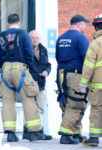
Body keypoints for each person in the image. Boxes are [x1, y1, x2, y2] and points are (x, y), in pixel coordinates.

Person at [0, 14, 44, 142]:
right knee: (28, 99)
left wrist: (5, 65)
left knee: (7, 102)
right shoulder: (24, 35)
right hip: (20, 70)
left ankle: (10, 133)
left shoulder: (0, 36)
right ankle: (33, 132)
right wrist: (23, 66)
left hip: (5, 70)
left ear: (7, 22)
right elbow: (29, 54)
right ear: (19, 22)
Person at [55, 14, 90, 144]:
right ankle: (66, 134)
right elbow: (86, 59)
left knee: (67, 103)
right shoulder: (81, 38)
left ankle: (75, 133)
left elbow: (58, 57)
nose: (85, 26)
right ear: (79, 24)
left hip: (61, 74)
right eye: (84, 24)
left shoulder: (61, 38)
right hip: (75, 75)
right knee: (76, 103)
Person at [22, 30, 52, 140]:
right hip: (29, 83)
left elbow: (48, 65)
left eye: (37, 38)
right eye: (33, 38)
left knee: (41, 107)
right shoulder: (25, 50)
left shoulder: (44, 50)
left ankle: (38, 130)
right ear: (29, 39)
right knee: (29, 107)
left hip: (40, 82)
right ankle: (28, 131)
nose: (35, 40)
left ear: (40, 39)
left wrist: (47, 71)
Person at [80, 13, 102, 147]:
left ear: (96, 28)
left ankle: (93, 138)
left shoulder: (95, 44)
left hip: (98, 87)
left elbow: (88, 66)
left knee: (96, 110)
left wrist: (83, 84)